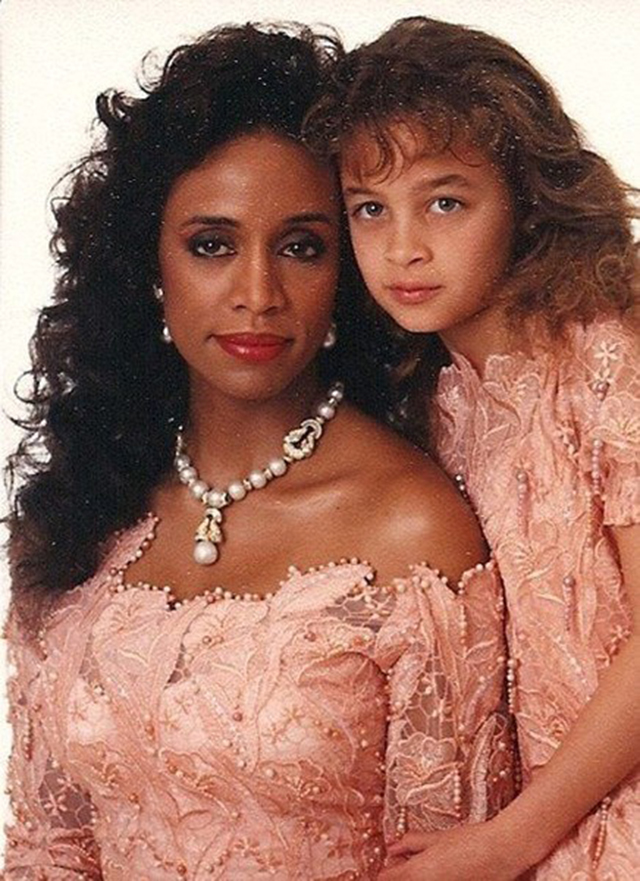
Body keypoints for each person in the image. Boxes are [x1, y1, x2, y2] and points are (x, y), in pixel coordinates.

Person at [1, 22, 515, 879]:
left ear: (345, 271)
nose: (258, 293)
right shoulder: (83, 508)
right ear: (150, 264)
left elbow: (450, 860)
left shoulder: (411, 528)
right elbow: (45, 847)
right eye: (212, 245)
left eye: (301, 247)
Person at [306, 13, 640, 880]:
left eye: (445, 202)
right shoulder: (431, 399)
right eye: (370, 209)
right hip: (530, 835)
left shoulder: (607, 356)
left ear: (525, 199)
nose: (403, 249)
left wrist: (509, 838)